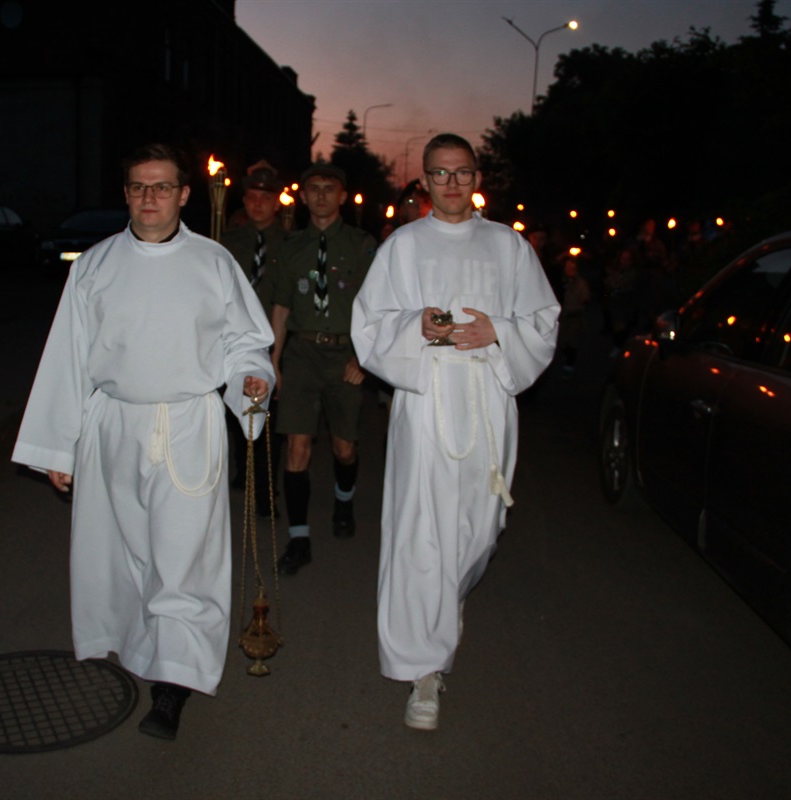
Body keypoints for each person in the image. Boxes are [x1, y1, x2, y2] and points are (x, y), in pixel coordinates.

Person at [10, 143, 274, 741]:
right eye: (138, 187)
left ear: (184, 195)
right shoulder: (95, 265)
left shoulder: (213, 263)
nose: (149, 197)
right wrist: (58, 446)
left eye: (162, 187)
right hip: (113, 425)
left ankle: (173, 684)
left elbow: (245, 341)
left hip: (188, 425)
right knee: (127, 551)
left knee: (183, 558)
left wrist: (252, 378)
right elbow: (68, 357)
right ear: (126, 193)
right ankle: (139, 644)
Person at [351, 133, 558, 730]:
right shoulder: (403, 246)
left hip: (488, 397)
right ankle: (425, 671)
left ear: (476, 177)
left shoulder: (508, 246)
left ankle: (449, 597)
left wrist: (499, 332)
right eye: (439, 174)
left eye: (461, 172)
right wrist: (415, 326)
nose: (451, 184)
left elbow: (543, 319)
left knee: (479, 530)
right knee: (423, 530)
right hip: (426, 401)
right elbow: (369, 324)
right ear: (424, 182)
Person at [270, 163, 376, 575]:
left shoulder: (361, 245)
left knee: (343, 447)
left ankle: (343, 502)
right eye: (312, 188)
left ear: (342, 196)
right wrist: (274, 361)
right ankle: (299, 539)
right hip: (302, 355)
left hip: (345, 353)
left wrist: (363, 358)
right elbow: (281, 307)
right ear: (302, 196)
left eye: (329, 188)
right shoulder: (291, 247)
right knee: (297, 447)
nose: (320, 195)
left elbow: (376, 307)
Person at [220, 160, 288, 511]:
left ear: (277, 203)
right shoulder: (227, 243)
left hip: (277, 340)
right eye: (251, 197)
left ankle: (264, 490)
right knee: (236, 407)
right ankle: (241, 471)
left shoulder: (290, 244)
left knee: (270, 417)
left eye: (266, 198)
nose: (257, 204)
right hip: (235, 339)